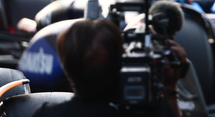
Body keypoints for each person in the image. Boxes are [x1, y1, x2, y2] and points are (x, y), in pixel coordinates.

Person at [32, 19, 186, 117]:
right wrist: (170, 87)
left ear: (66, 70)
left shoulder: (48, 114)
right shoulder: (152, 110)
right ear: (121, 62)